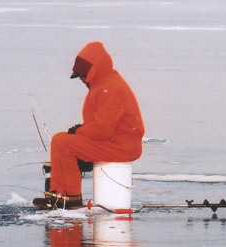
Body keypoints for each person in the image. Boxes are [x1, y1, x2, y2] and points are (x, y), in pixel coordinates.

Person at [33, 41, 145, 210]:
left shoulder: (110, 88)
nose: (81, 79)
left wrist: (79, 131)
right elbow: (102, 124)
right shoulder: (104, 83)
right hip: (115, 143)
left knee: (63, 143)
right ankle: (59, 193)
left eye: (82, 75)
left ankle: (70, 198)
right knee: (60, 140)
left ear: (92, 71)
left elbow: (102, 131)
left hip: (121, 147)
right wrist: (81, 131)